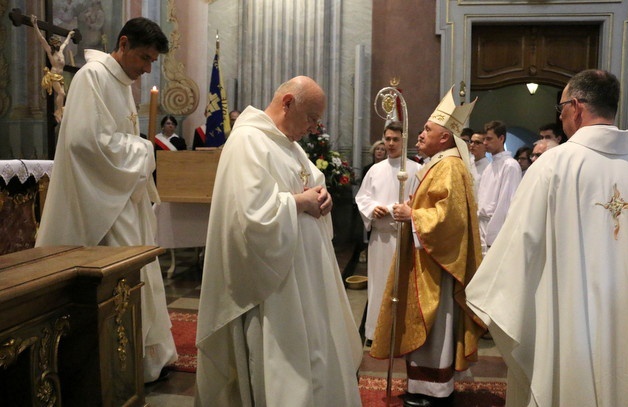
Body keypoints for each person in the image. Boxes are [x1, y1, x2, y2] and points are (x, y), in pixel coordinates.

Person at [466, 69, 628, 406]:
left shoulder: (552, 166)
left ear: (575, 107)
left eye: (559, 109)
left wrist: (484, 295)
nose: (560, 117)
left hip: (569, 325)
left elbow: (519, 246)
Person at [195, 76, 362, 407]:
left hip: (307, 274)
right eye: (311, 117)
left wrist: (323, 196)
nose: (314, 127)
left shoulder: (289, 144)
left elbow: (310, 183)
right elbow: (248, 216)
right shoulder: (247, 141)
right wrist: (299, 203)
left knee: (316, 350)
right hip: (275, 284)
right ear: (287, 102)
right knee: (286, 363)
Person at [35, 17, 177, 383]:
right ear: (124, 43)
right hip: (104, 203)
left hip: (121, 195)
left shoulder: (121, 83)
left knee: (140, 273)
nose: (146, 69)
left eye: (151, 63)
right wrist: (143, 149)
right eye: (143, 58)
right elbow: (86, 142)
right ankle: (118, 369)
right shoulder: (92, 77)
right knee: (123, 279)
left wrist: (136, 154)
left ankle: (141, 360)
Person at [370, 88, 485, 407]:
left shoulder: (449, 166)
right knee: (424, 323)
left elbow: (452, 218)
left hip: (437, 263)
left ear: (445, 138)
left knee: (434, 323)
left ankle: (434, 391)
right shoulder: (438, 163)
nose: (419, 135)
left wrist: (413, 215)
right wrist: (412, 206)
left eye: (426, 131)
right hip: (427, 257)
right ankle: (423, 386)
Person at [355, 121, 421, 344]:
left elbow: (419, 203)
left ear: (404, 141)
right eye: (388, 139)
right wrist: (373, 209)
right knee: (377, 285)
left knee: (400, 285)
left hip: (402, 237)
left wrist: (400, 211)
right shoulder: (375, 170)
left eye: (395, 139)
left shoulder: (416, 170)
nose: (391, 143)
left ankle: (399, 333)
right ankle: (375, 332)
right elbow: (362, 197)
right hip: (380, 239)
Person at [476, 120, 522, 254]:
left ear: (501, 138)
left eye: (489, 139)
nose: (485, 143)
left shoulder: (510, 165)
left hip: (495, 230)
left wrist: (493, 236)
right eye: (484, 139)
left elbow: (506, 204)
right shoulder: (489, 167)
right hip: (482, 227)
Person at [30, 15, 75, 123]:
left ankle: (60, 110)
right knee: (62, 93)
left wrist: (69, 35)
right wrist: (35, 24)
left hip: (60, 76)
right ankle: (58, 111)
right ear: (53, 44)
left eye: (59, 42)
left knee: (63, 94)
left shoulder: (60, 51)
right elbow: (41, 39)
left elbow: (66, 43)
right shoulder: (50, 52)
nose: (59, 44)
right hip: (53, 75)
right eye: (57, 42)